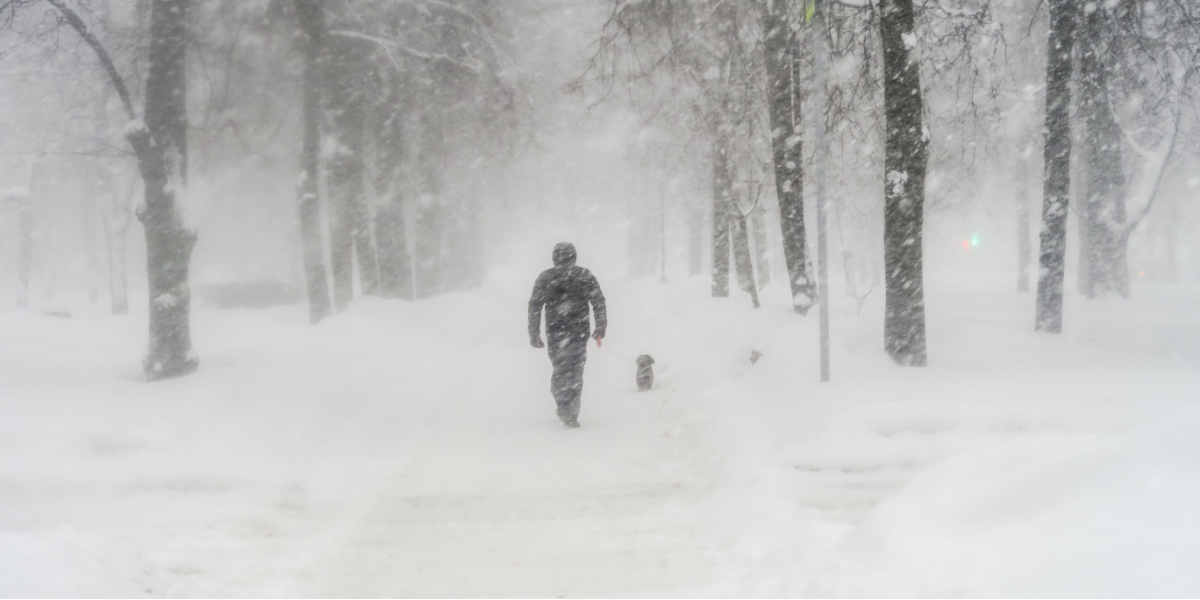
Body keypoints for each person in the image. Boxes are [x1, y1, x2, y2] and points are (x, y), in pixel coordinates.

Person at [528, 242, 606, 428]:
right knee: (576, 372)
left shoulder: (546, 277)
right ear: (574, 256)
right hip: (579, 332)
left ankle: (563, 404)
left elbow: (535, 306)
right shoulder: (584, 276)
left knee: (560, 369)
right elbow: (598, 302)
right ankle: (571, 410)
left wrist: (534, 333)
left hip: (556, 333)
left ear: (554, 257)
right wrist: (600, 327)